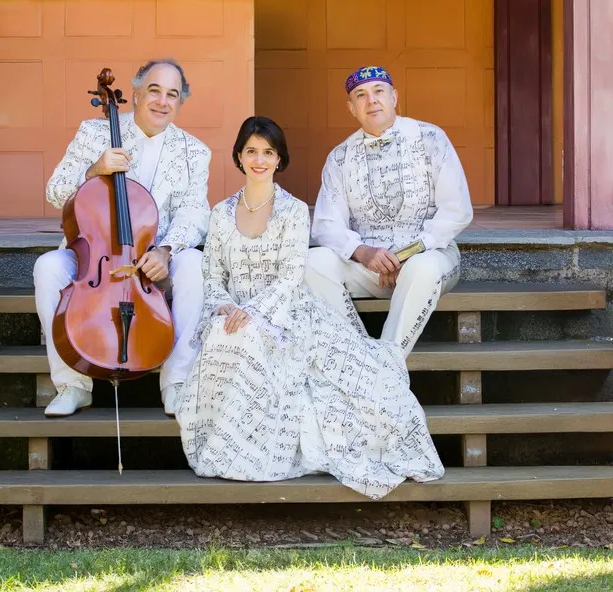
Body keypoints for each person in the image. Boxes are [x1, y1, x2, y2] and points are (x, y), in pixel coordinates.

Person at [173, 116, 443, 500]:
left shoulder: (294, 210)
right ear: (238, 156)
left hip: (284, 312)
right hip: (232, 312)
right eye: (252, 151)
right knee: (224, 336)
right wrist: (225, 307)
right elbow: (213, 274)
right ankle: (229, 451)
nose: (260, 159)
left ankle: (266, 454)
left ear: (280, 159)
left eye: (268, 152)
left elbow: (289, 276)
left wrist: (254, 313)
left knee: (262, 342)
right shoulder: (220, 213)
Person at [34, 59, 211, 417]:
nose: (162, 101)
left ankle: (176, 382)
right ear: (134, 94)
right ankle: (72, 384)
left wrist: (166, 250)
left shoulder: (195, 151)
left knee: (194, 264)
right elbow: (55, 192)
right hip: (96, 257)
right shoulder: (94, 133)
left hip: (152, 259)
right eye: (154, 91)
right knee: (48, 267)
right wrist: (94, 170)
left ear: (180, 103)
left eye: (172, 94)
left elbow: (195, 212)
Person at [304, 66, 474, 356]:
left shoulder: (431, 138)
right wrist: (364, 253)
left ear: (394, 97)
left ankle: (388, 362)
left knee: (422, 268)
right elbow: (326, 224)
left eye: (379, 91)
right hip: (368, 267)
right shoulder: (340, 157)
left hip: (428, 256)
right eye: (361, 95)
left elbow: (456, 211)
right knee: (313, 262)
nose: (371, 101)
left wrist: (404, 255)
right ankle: (359, 355)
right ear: (352, 108)